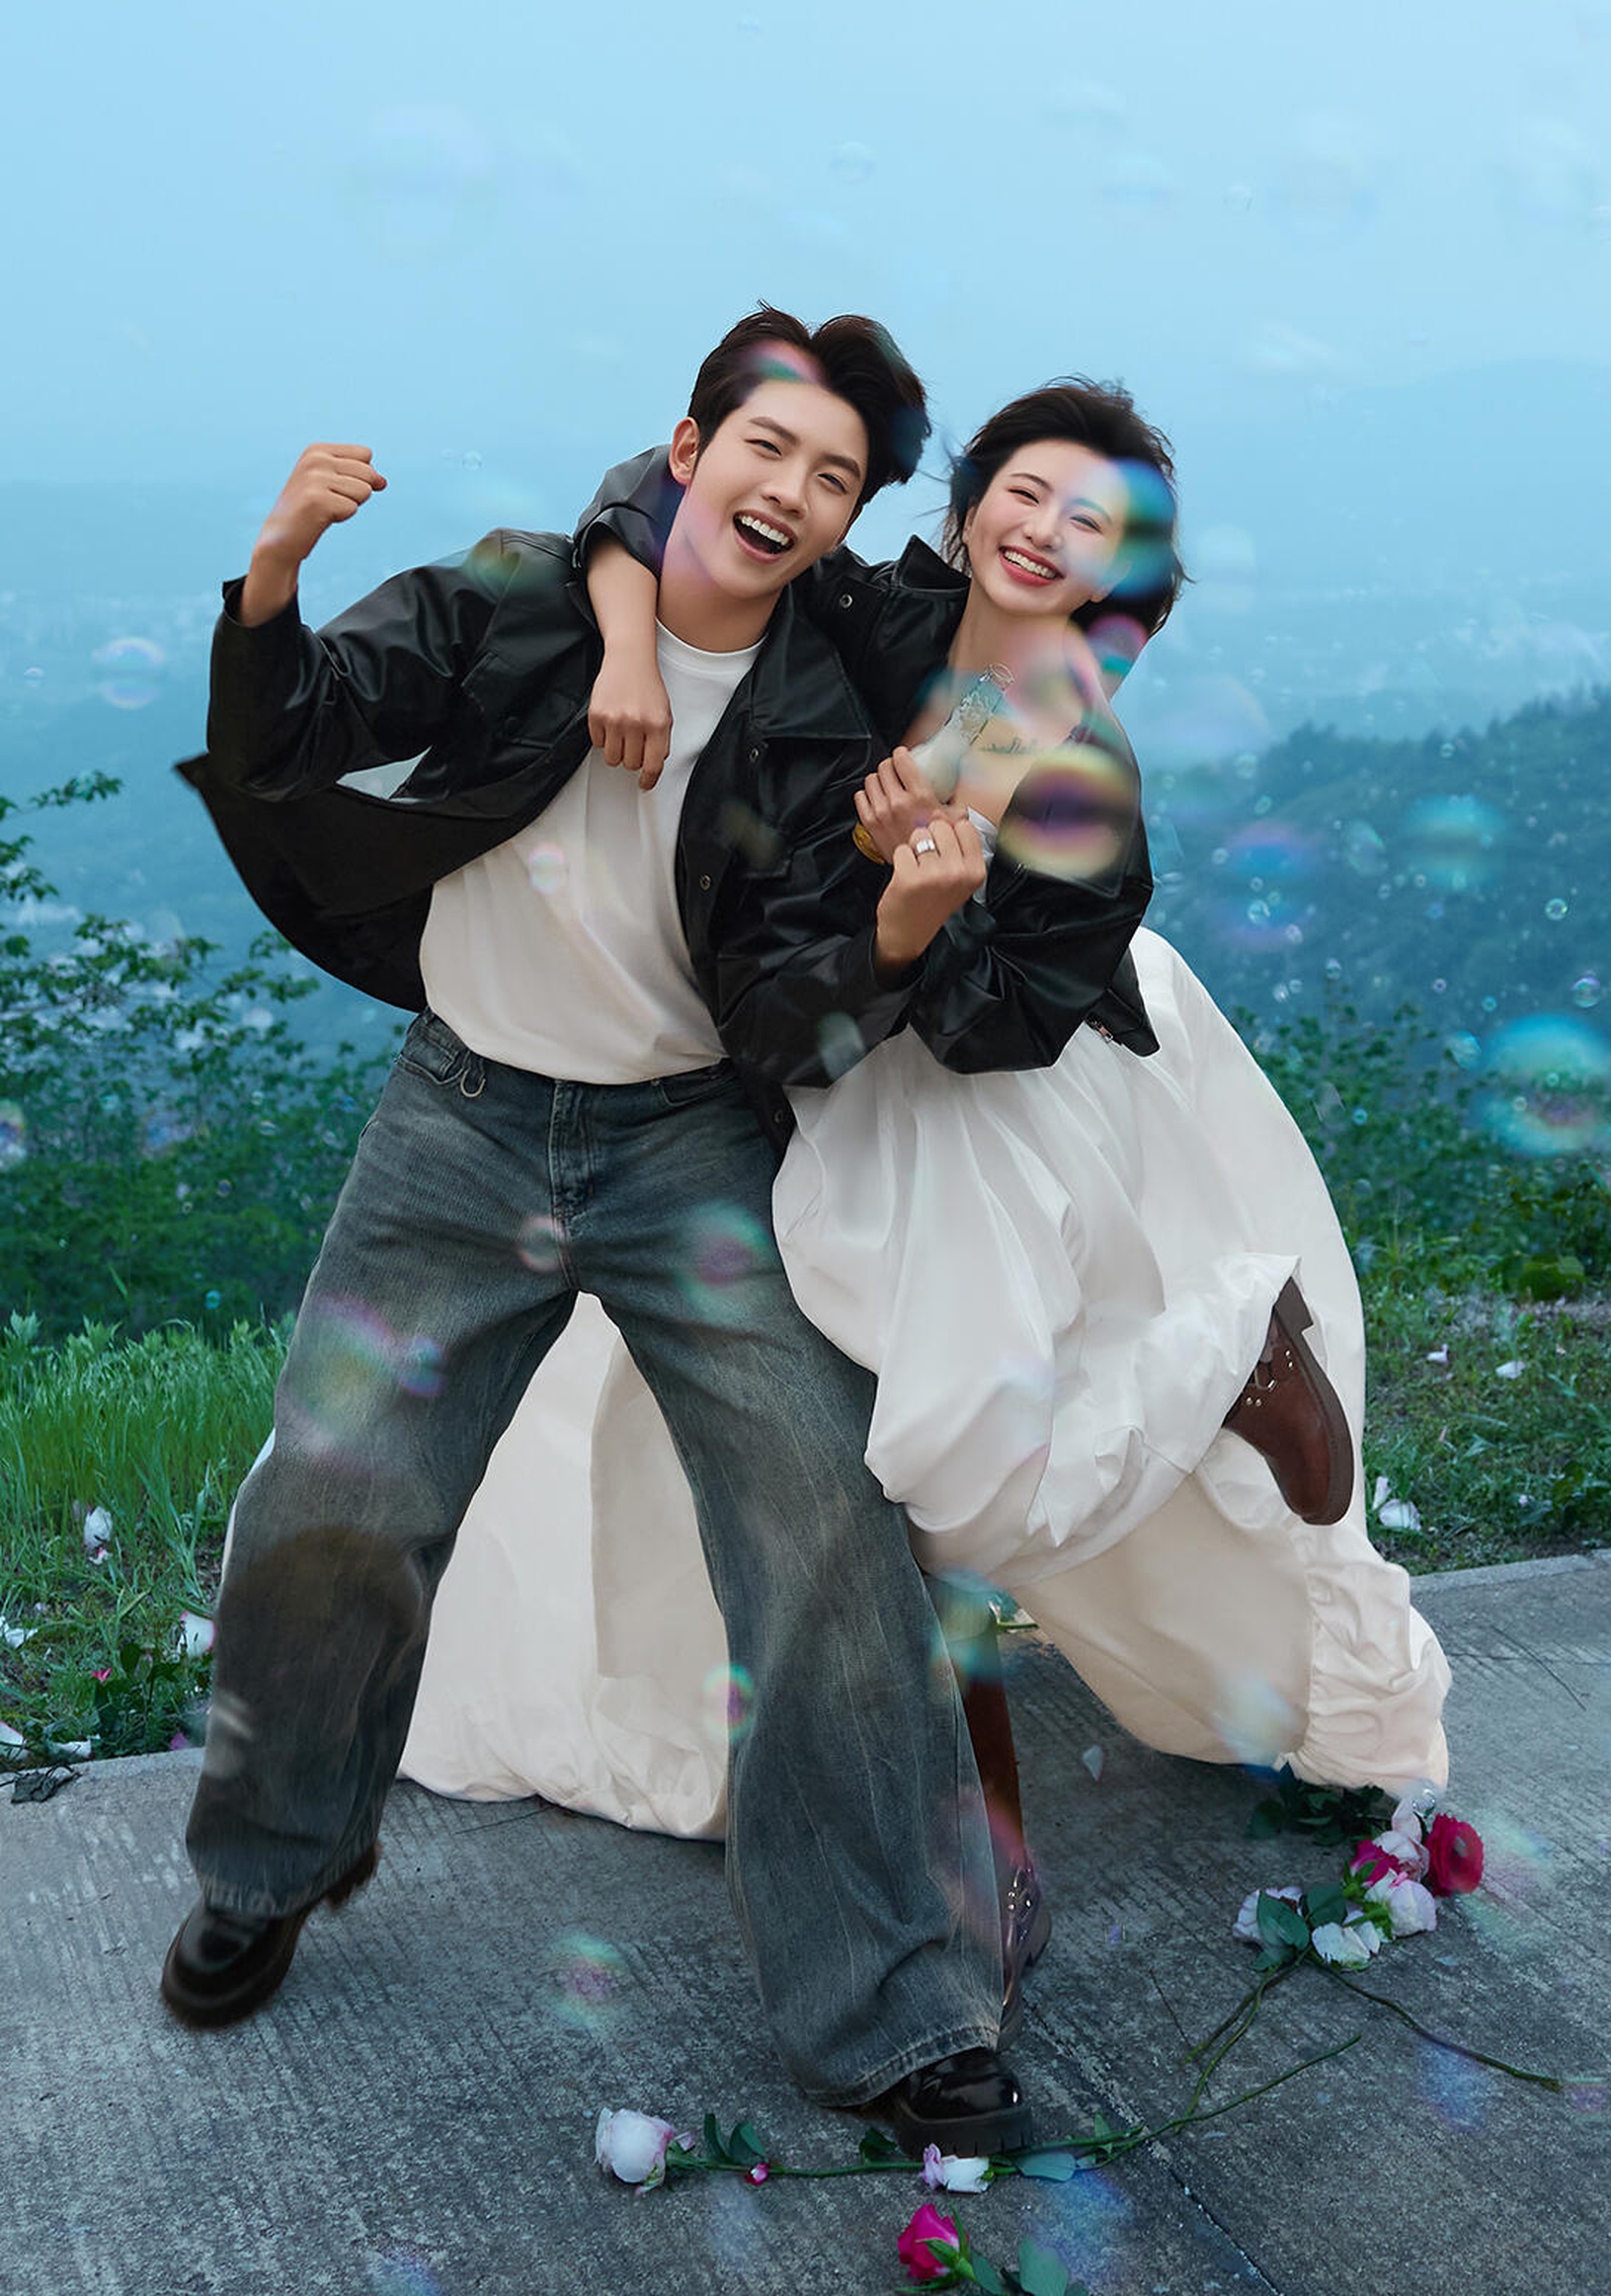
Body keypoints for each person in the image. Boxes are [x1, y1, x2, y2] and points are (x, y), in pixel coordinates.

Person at [161, 308, 1037, 2162]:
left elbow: (795, 1003)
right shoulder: (524, 601)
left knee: (821, 1536)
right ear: (688, 449)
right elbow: (305, 719)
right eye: (764, 447)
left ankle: (897, 2004)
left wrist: (899, 929)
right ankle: (267, 1867)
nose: (789, 492)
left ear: (853, 515)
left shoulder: (834, 696)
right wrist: (275, 570)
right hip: (459, 1121)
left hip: (689, 1142)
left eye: (834, 477)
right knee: (330, 1502)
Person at [398, 380, 1451, 1884]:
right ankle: (933, 1803)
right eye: (1023, 490)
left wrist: (924, 905)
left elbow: (1005, 1027)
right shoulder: (863, 618)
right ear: (964, 505)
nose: (1044, 530)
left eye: (1090, 521)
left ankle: (1226, 1354)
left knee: (941, 1457)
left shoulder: (1078, 766)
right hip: (794, 1061)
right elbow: (659, 500)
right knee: (794, 1445)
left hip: (992, 1108)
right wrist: (629, 643)